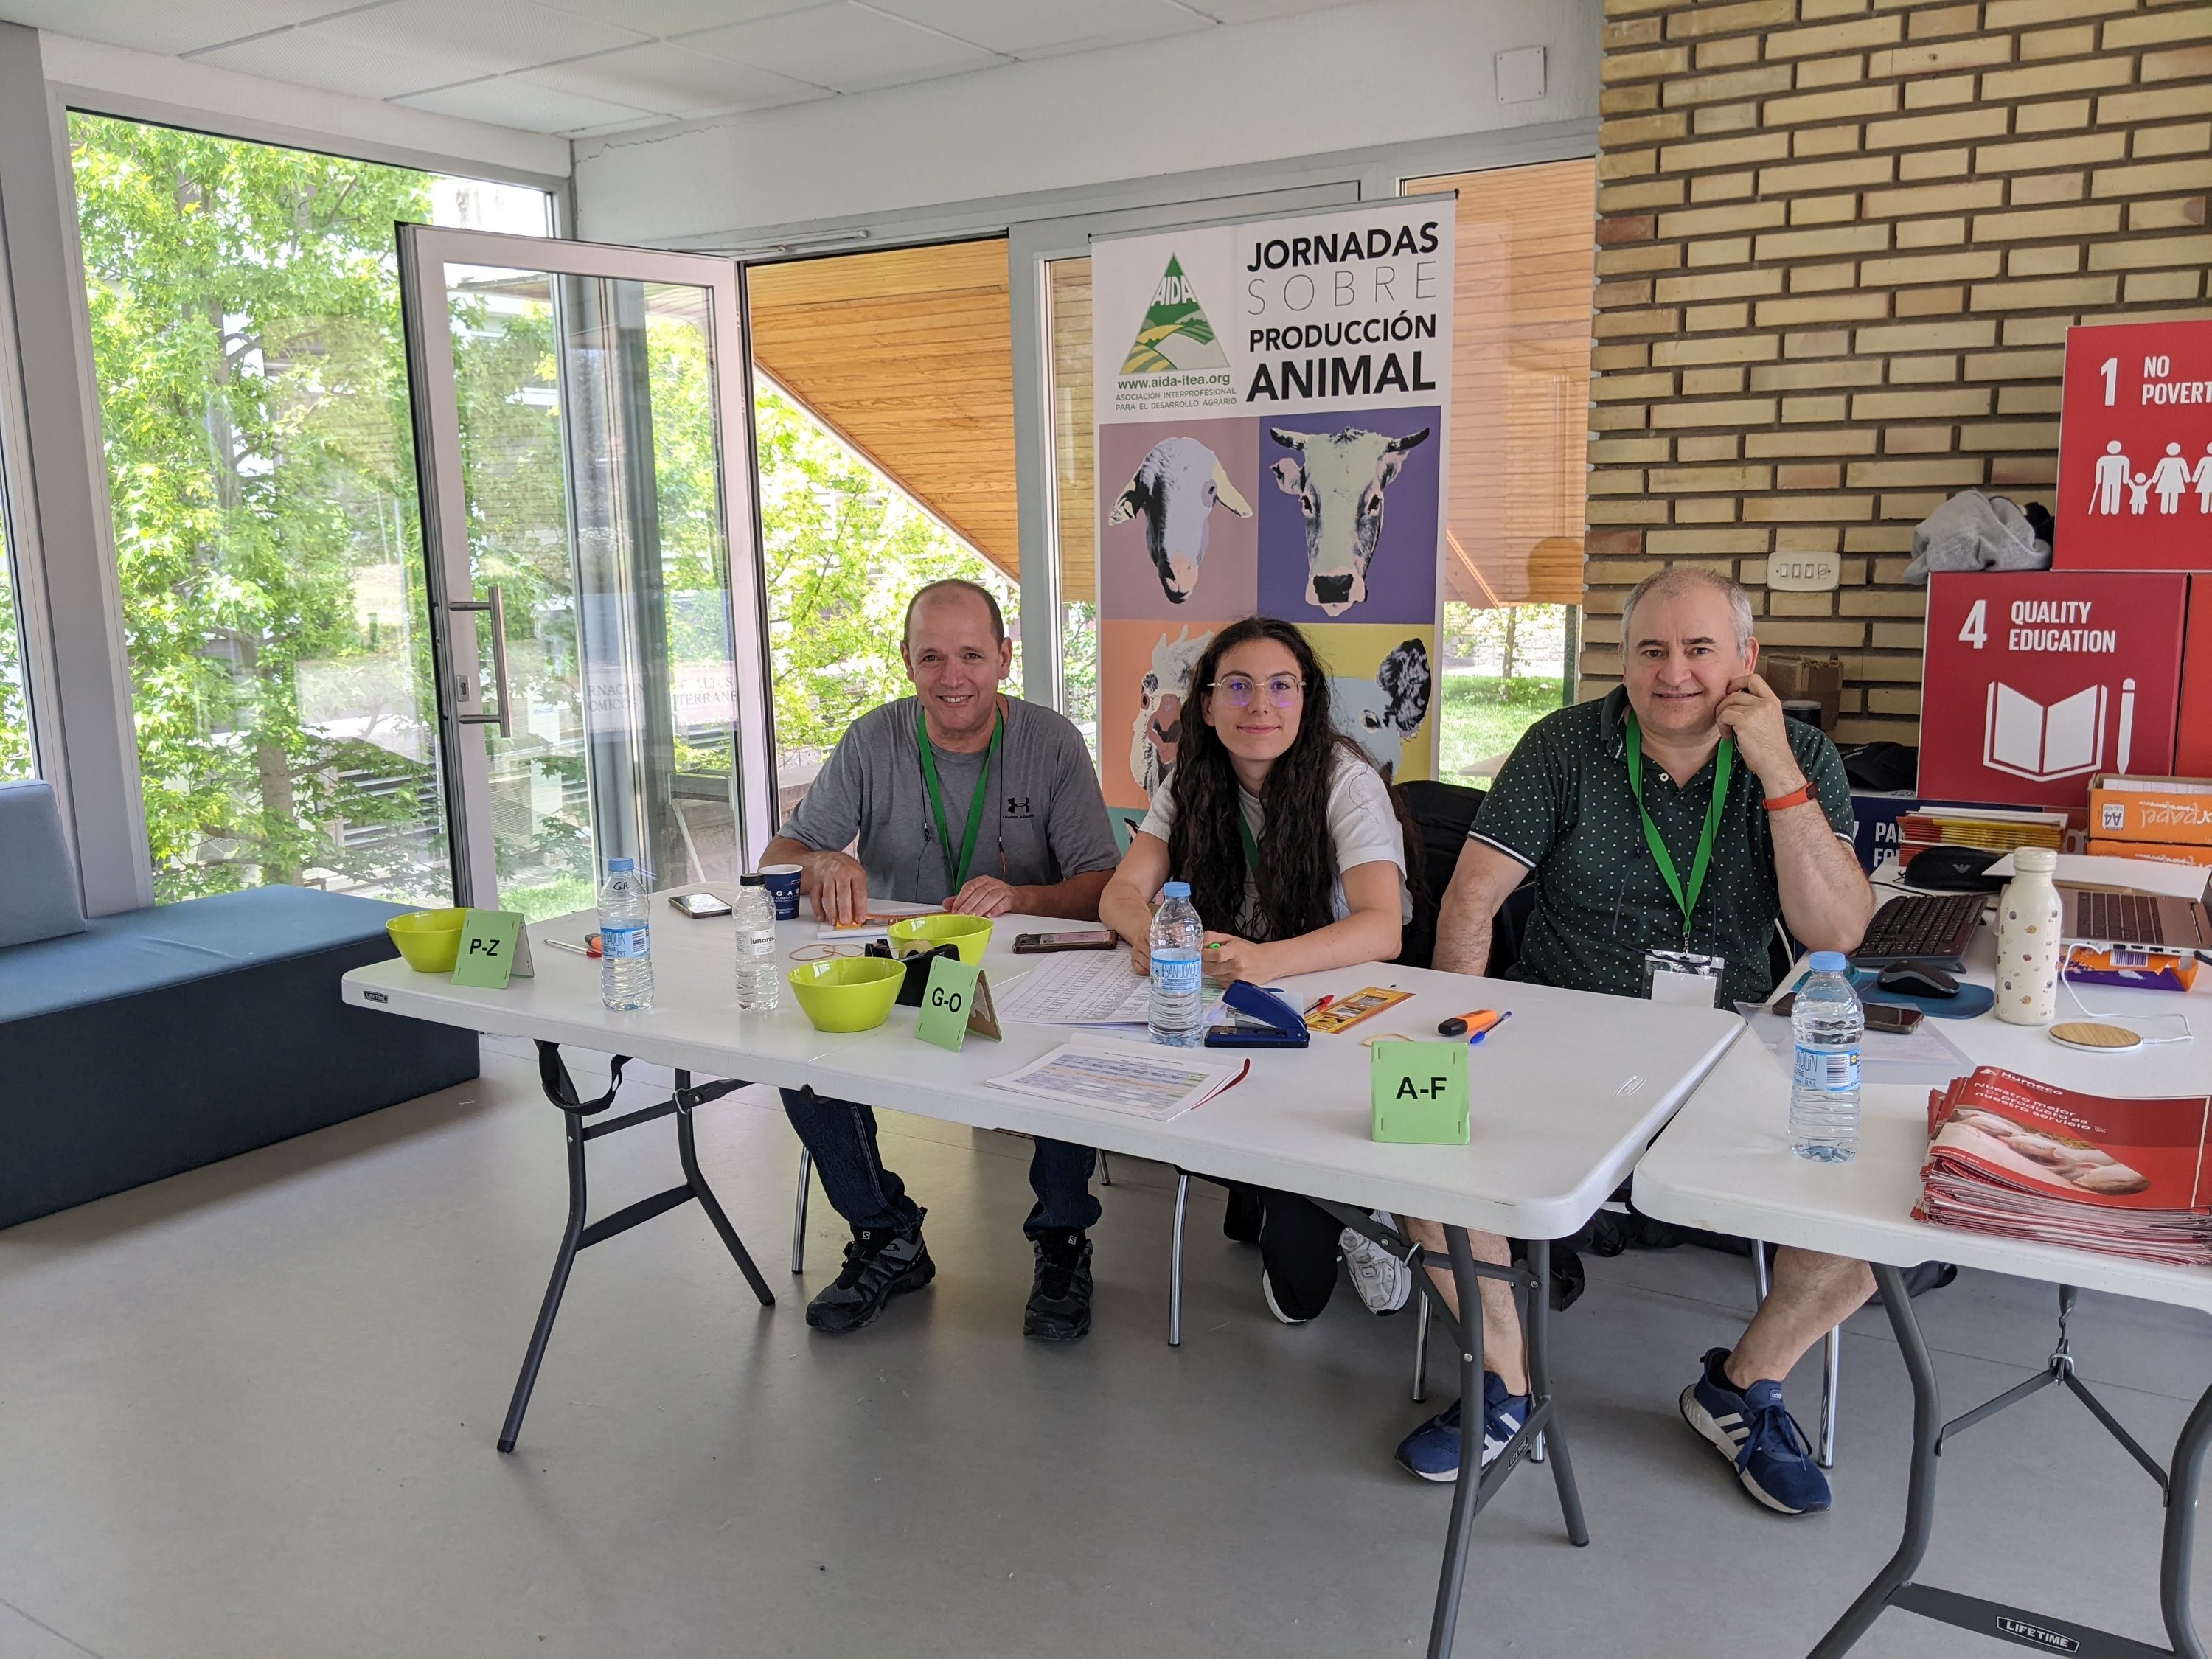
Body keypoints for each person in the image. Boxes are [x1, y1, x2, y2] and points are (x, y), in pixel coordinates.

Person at [1397, 566, 1876, 1515]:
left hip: (1729, 1047)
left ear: (1746, 659)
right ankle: (1505, 1382)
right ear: (1624, 661)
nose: (1675, 673)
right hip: (1562, 1031)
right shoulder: (1564, 746)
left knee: (1876, 1199)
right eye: (1652, 650)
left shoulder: (1802, 755)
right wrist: (1454, 1038)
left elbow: (1838, 932)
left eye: (1700, 650)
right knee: (1415, 1137)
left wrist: (1777, 771)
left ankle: (1742, 1385)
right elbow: (1472, 899)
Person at [761, 579, 1120, 1341]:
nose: (952, 677)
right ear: (906, 661)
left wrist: (1022, 895)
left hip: (1018, 975)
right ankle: (886, 1232)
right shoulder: (872, 739)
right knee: (802, 1060)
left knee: (1069, 1052)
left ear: (1004, 658)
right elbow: (777, 858)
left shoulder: (1051, 742)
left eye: (971, 656)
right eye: (931, 658)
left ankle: (1062, 1236)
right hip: (900, 969)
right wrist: (820, 861)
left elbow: (1102, 887)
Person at [1099, 616, 1410, 1323]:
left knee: (1294, 1300)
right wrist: (1150, 933)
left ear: (1307, 700)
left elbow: (1383, 928)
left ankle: (1369, 1208)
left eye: (1280, 687)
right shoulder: (1191, 779)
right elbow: (1120, 893)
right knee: (1297, 1297)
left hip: (1339, 1000)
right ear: (1208, 705)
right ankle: (1285, 1189)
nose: (1260, 705)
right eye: (1238, 686)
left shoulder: (1346, 782)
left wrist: (1264, 959)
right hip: (1235, 1003)